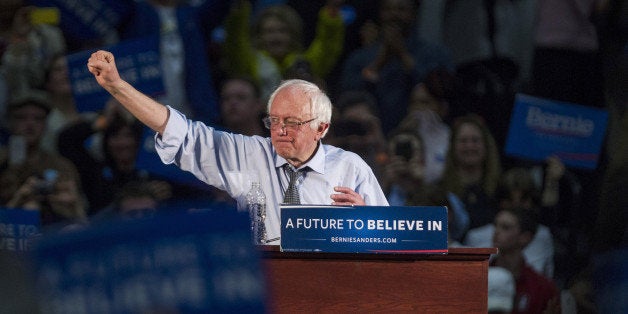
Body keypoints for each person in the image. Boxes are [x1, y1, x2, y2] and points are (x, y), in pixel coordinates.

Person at [87, 50, 389, 245]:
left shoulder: (350, 168)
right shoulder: (248, 155)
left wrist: (367, 222)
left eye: (292, 122)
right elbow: (177, 129)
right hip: (268, 289)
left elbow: (392, 240)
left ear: (321, 128)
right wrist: (118, 87)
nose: (280, 130)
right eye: (274, 121)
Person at [339, 0, 453, 134]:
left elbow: (445, 92)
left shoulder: (435, 53)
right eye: (388, 9)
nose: (394, 14)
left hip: (425, 137)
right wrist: (378, 64)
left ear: (413, 13)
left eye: (401, 9)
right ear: (381, 13)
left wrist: (404, 56)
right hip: (369, 137)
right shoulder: (361, 57)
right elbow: (346, 94)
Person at [223, 0, 345, 101]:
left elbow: (327, 47)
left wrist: (331, 11)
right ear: (259, 36)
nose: (276, 37)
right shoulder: (248, 63)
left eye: (282, 31)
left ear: (293, 35)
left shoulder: (303, 64)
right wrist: (239, 10)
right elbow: (235, 40)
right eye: (269, 32)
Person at [491, 206, 560, 314]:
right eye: (496, 225)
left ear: (525, 237)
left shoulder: (543, 288)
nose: (496, 232)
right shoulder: (476, 278)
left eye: (505, 227)